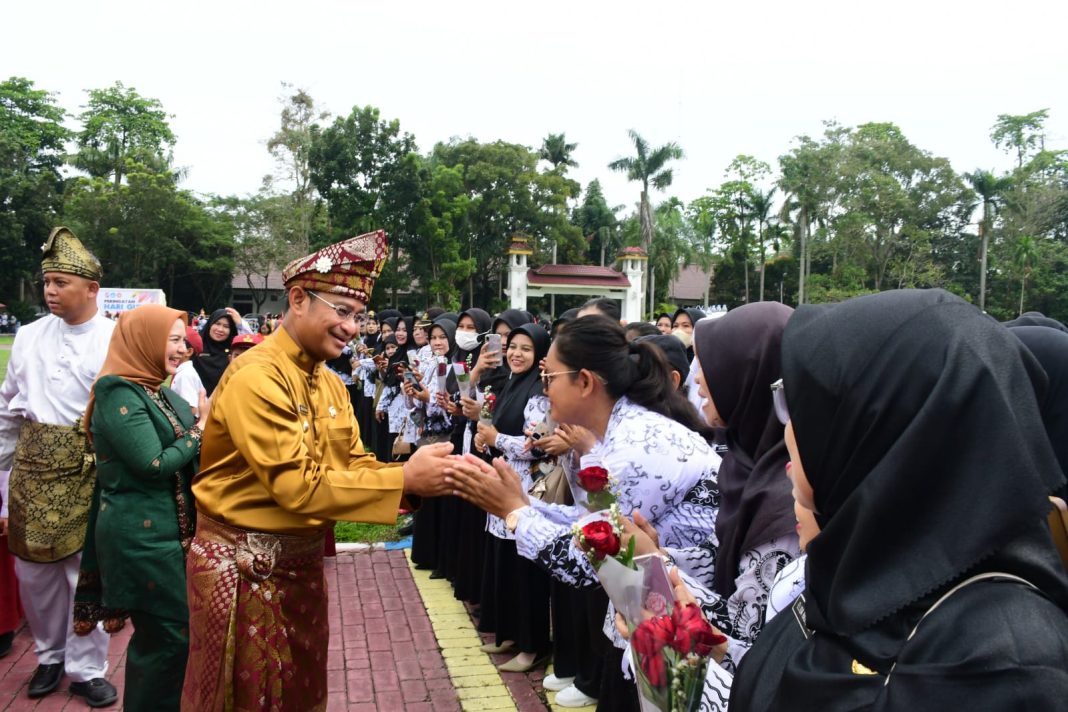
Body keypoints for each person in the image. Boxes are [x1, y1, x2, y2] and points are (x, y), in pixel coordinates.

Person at [730, 289, 1068, 711]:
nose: (785, 432)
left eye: (803, 407)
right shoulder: (857, 572)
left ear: (875, 431)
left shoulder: (1001, 666)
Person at [182, 230, 458, 711]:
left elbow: (351, 463)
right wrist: (404, 479)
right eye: (342, 311)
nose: (352, 327)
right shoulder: (257, 377)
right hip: (247, 572)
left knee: (300, 695)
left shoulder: (328, 384)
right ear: (296, 300)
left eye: (358, 316)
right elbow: (298, 486)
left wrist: (416, 477)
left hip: (299, 568)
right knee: (249, 699)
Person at [0, 227, 117, 706]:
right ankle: (49, 656)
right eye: (47, 281)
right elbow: (8, 412)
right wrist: (2, 486)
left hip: (90, 472)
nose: (50, 290)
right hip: (30, 471)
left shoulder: (117, 337)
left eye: (60, 282)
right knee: (34, 574)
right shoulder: (28, 336)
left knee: (85, 573)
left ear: (91, 289)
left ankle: (87, 668)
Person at [75, 305, 208, 711]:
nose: (182, 348)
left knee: (173, 637)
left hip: (170, 536)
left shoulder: (158, 391)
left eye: (184, 340)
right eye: (172, 339)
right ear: (143, 341)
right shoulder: (118, 391)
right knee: (167, 637)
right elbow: (153, 464)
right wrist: (201, 429)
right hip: (141, 538)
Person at [192, 308, 238, 396]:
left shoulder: (234, 351)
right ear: (210, 324)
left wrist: (240, 324)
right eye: (217, 324)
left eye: (226, 326)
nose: (220, 329)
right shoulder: (196, 345)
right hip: (195, 402)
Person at [170, 327, 205, 415]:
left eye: (180, 343)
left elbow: (191, 409)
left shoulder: (185, 375)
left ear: (189, 352)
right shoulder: (183, 372)